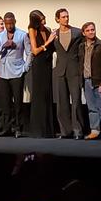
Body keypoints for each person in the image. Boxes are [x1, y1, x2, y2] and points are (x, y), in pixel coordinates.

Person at [0, 12, 31, 138]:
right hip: (3, 72)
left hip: (17, 72)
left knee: (18, 102)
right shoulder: (0, 36)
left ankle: (18, 128)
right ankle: (6, 128)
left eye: (11, 23)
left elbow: (29, 52)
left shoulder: (22, 35)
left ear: (15, 22)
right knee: (5, 102)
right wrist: (3, 46)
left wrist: (25, 68)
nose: (9, 26)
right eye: (7, 23)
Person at [79, 22, 101, 140]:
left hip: (99, 82)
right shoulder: (81, 46)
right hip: (87, 80)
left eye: (93, 30)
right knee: (92, 108)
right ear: (83, 33)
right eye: (88, 30)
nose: (91, 32)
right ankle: (95, 130)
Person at [52, 8, 84, 139]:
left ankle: (78, 130)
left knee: (76, 101)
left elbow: (86, 44)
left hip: (74, 69)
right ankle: (65, 131)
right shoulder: (54, 34)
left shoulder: (76, 32)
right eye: (63, 17)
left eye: (67, 16)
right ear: (58, 19)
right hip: (60, 70)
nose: (66, 19)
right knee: (62, 101)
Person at [27, 10, 57, 138]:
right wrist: (48, 42)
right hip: (39, 65)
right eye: (41, 19)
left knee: (47, 94)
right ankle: (38, 130)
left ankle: (48, 130)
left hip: (47, 64)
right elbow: (35, 51)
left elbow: (53, 47)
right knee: (39, 95)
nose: (44, 20)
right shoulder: (32, 29)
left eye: (44, 17)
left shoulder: (48, 29)